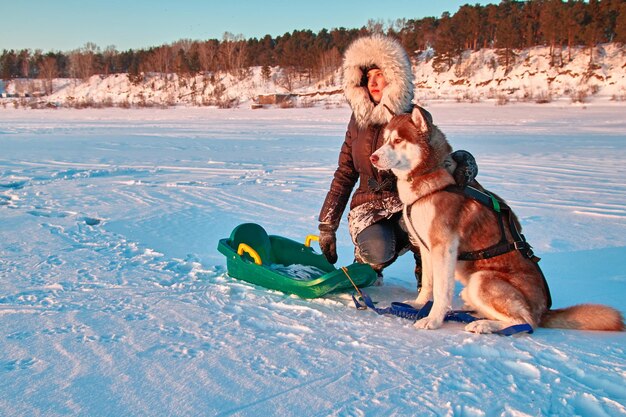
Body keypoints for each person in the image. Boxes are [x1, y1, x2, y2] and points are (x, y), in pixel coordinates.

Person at [317, 34, 476, 287]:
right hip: (368, 206)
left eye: (379, 74)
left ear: (395, 77)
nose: (373, 83)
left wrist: (461, 162)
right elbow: (345, 173)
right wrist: (327, 224)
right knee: (378, 248)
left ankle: (427, 272)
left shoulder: (414, 117)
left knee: (425, 223)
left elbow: (437, 158)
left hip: (409, 200)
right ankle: (368, 263)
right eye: (368, 78)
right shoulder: (357, 122)